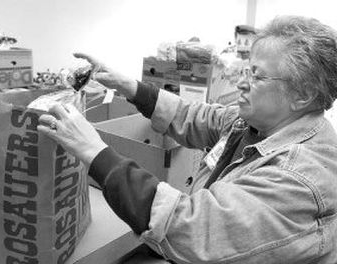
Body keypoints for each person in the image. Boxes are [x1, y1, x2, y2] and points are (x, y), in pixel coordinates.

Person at [38, 15, 337, 263]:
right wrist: (129, 86)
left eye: (257, 77)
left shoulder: (297, 179)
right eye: (247, 70)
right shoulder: (257, 122)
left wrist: (95, 152)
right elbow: (195, 116)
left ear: (303, 95)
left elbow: (194, 228)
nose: (241, 82)